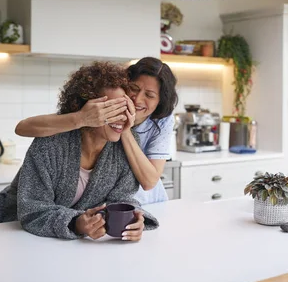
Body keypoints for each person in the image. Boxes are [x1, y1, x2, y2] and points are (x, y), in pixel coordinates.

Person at [0, 61, 159, 240]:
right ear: (86, 110)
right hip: (14, 231)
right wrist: (76, 222)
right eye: (109, 109)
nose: (121, 116)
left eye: (124, 107)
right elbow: (33, 209)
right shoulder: (51, 142)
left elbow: (121, 198)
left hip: (68, 242)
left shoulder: (124, 145)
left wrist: (133, 218)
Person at [14, 57, 179, 205]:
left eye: (150, 95)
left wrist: (123, 128)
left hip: (145, 202)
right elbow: (22, 128)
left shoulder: (161, 121)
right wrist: (82, 118)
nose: (137, 98)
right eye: (134, 88)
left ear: (159, 102)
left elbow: (149, 181)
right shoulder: (88, 117)